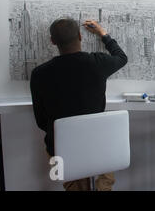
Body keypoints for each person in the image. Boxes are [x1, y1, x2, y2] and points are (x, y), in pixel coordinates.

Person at [30, 18, 128, 191]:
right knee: (103, 166)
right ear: (80, 36)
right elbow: (121, 57)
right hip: (97, 146)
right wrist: (103, 34)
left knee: (73, 181)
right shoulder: (98, 63)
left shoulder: (39, 74)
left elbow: (41, 121)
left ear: (53, 41)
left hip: (61, 150)